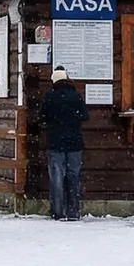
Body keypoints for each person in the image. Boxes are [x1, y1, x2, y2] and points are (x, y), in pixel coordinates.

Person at [43, 67, 89, 221]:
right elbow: (84, 116)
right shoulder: (76, 96)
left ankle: (58, 211)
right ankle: (74, 211)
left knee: (57, 177)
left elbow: (42, 117)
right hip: (74, 143)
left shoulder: (50, 97)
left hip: (55, 142)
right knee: (74, 176)